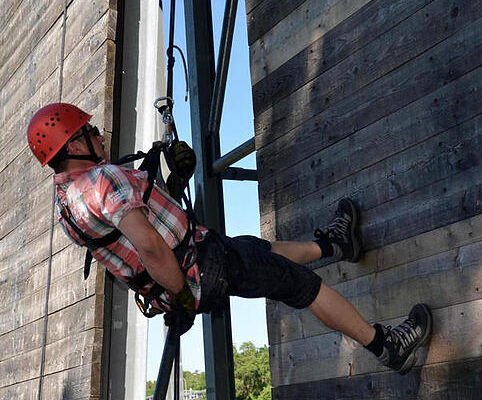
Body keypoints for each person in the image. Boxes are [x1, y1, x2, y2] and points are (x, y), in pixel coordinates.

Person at [27, 103, 433, 375]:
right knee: (303, 288)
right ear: (74, 143)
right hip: (198, 270)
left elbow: (128, 243)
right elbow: (149, 245)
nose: (100, 136)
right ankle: (388, 347)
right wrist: (181, 292)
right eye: (91, 131)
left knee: (260, 250)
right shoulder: (102, 180)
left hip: (194, 263)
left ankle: (335, 245)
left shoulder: (66, 203)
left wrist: (174, 180)